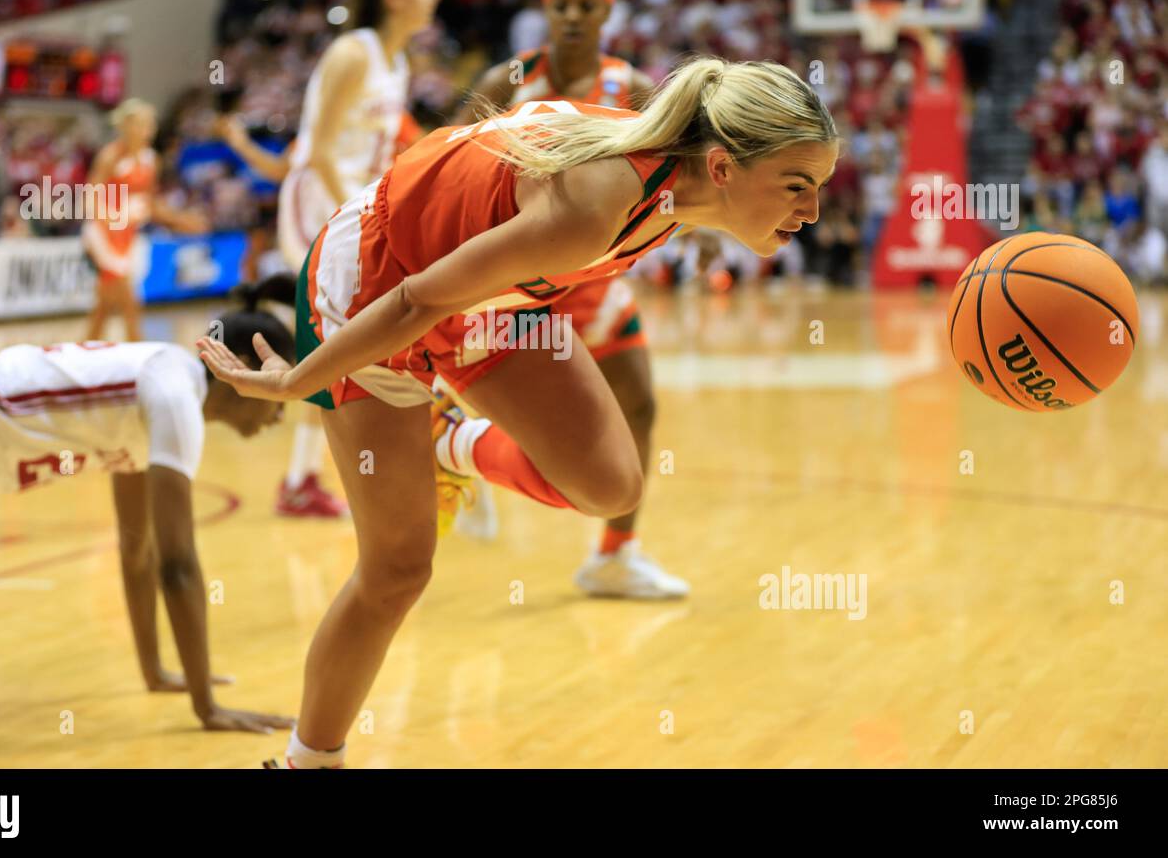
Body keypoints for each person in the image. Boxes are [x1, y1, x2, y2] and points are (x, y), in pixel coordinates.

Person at [198, 55, 839, 767]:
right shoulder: (600, 202)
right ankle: (307, 762)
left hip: (483, 294)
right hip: (379, 283)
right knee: (398, 570)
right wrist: (298, 384)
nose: (811, 211)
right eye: (797, 186)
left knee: (611, 485)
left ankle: (446, 441)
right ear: (722, 168)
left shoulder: (672, 188)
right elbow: (417, 301)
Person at [0, 284, 296, 733]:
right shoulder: (174, 393)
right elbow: (178, 566)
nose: (281, 411)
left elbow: (138, 551)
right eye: (279, 384)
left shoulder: (158, 388)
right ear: (245, 369)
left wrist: (155, 671)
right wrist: (207, 707)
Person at [450, 0, 687, 598]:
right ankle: (461, 457)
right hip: (520, 280)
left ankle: (615, 553)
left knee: (638, 403)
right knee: (515, 410)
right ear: (546, 12)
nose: (574, 16)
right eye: (563, 5)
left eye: (588, 5)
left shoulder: (631, 85)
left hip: (597, 276)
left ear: (607, 14)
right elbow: (448, 153)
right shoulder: (512, 77)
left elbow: (672, 169)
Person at [216, 0, 439, 518]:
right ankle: (301, 474)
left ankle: (309, 474)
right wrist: (358, 209)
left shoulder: (397, 62)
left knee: (350, 339)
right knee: (337, 337)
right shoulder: (351, 52)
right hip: (320, 201)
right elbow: (314, 152)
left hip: (355, 203)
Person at [82, 98, 207, 343]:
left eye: (150, 125)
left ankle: (85, 347)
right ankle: (137, 347)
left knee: (105, 303)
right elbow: (91, 195)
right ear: (126, 126)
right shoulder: (111, 156)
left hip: (129, 234)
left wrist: (181, 220)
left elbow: (151, 203)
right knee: (129, 296)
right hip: (104, 233)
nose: (147, 131)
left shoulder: (151, 159)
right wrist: (109, 217)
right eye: (141, 124)